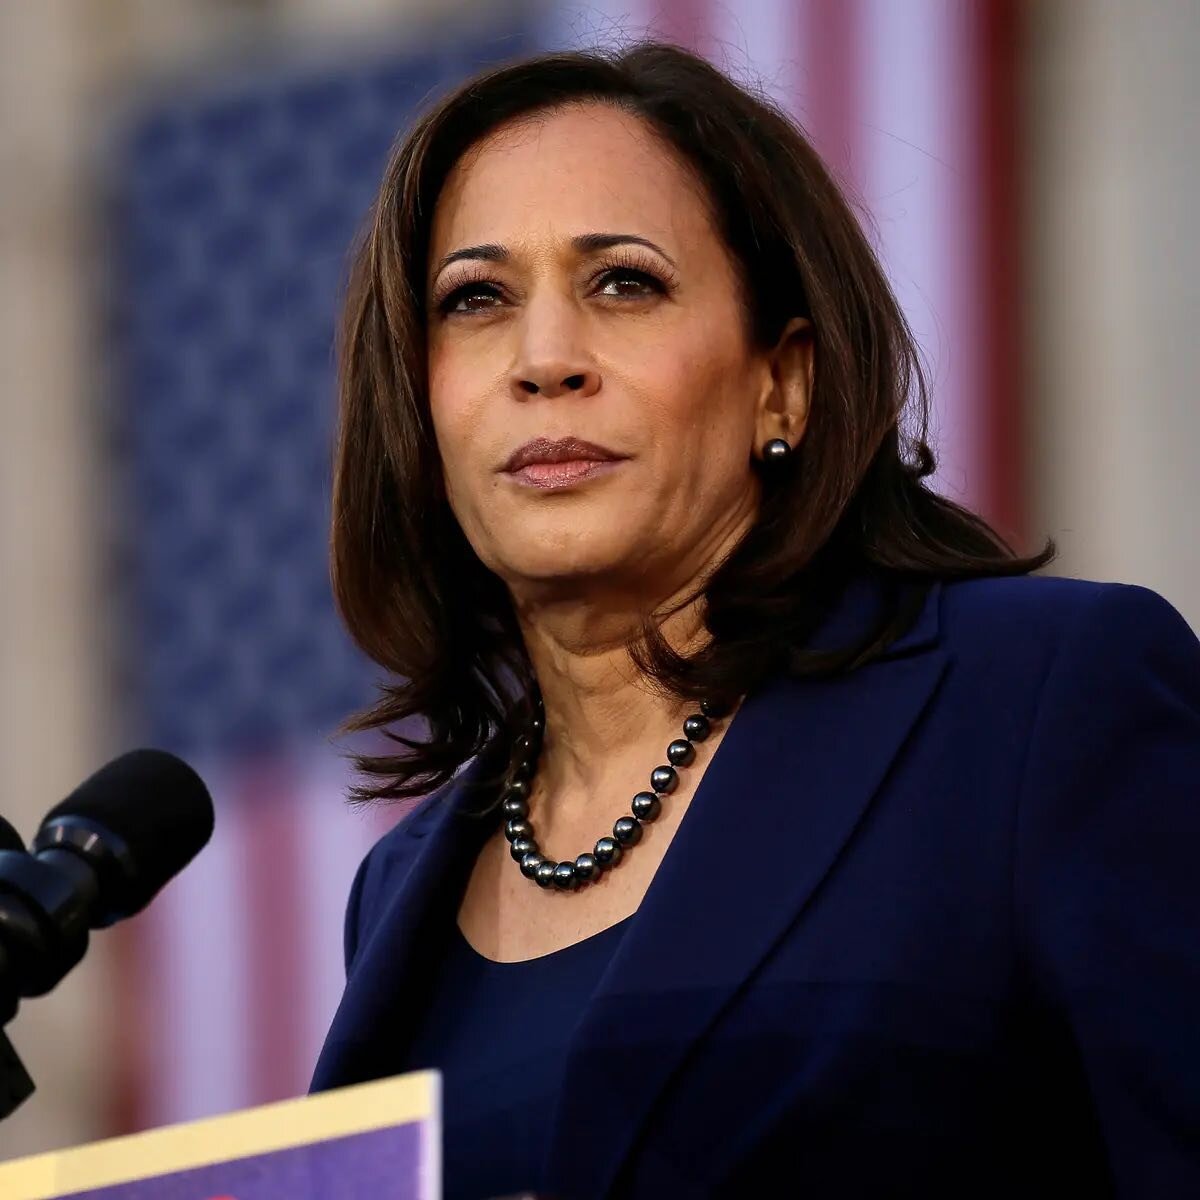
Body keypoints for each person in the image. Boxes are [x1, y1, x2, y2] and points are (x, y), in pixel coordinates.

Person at [309, 39, 1200, 1200]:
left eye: (623, 282)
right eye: (475, 300)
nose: (543, 361)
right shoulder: (403, 891)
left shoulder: (1042, 705)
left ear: (780, 380)